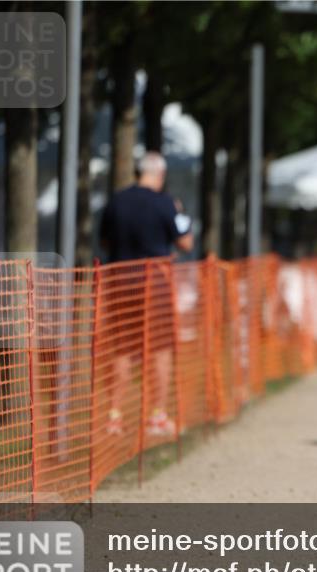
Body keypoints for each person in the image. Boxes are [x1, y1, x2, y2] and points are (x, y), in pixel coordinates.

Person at [99, 151, 193, 438]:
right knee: (160, 350)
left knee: (123, 350)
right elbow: (186, 242)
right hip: (155, 283)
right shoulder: (165, 202)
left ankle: (114, 416)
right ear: (160, 174)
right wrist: (180, 212)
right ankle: (157, 416)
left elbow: (104, 240)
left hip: (120, 281)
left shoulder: (116, 200)